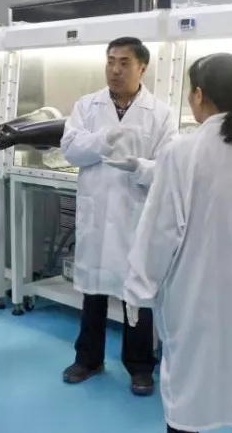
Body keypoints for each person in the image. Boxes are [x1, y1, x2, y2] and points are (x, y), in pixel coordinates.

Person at [124, 52, 232, 433]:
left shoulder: (185, 151)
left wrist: (138, 287)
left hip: (199, 296)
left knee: (190, 394)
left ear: (198, 95)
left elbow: (160, 231)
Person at [60, 36, 177, 396]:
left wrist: (139, 167)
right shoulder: (87, 105)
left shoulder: (161, 113)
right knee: (93, 292)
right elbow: (70, 149)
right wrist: (103, 140)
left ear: (142, 68)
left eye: (124, 62)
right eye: (110, 61)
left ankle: (140, 367)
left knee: (137, 295)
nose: (115, 69)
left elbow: (169, 165)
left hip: (135, 214)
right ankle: (88, 359)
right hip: (98, 213)